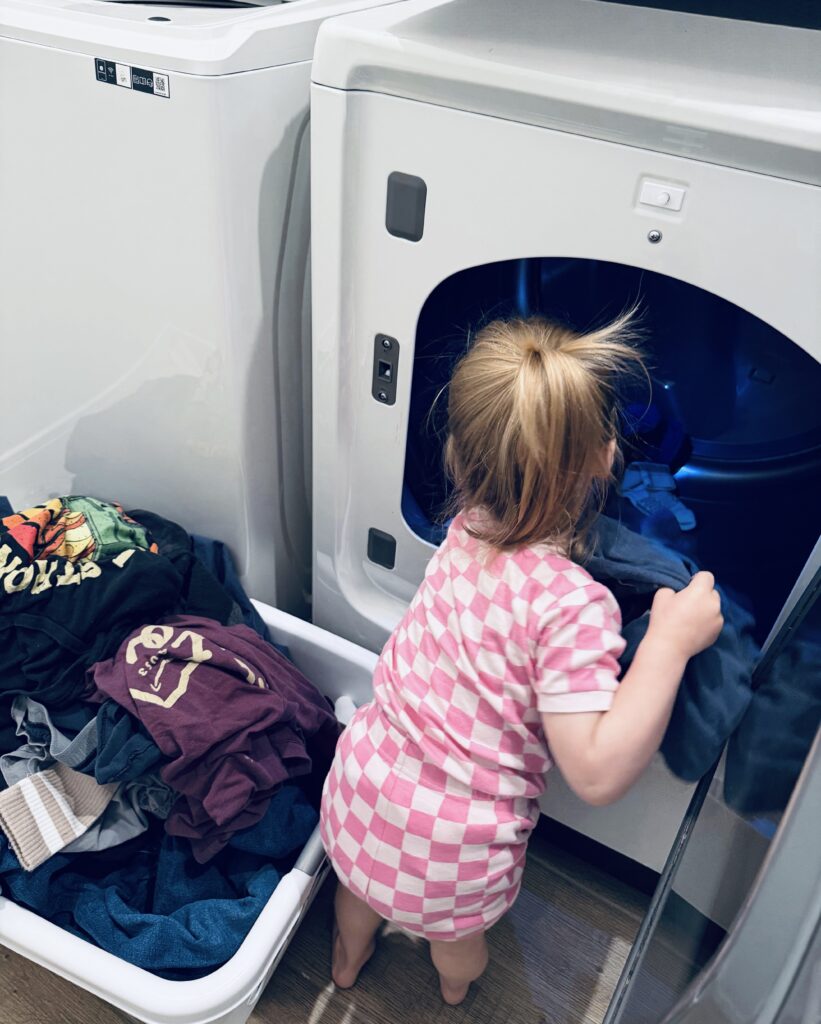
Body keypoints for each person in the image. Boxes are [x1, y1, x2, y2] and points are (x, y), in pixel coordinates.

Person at [319, 314, 723, 1005]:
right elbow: (595, 771)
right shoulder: (572, 605)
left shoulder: (462, 531)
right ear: (605, 457)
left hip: (360, 793)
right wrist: (668, 641)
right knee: (457, 946)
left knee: (358, 897)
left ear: (457, 459)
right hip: (451, 854)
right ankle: (454, 991)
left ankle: (346, 963)